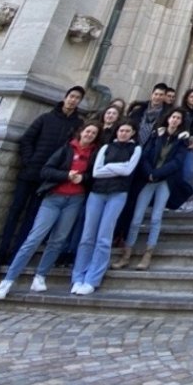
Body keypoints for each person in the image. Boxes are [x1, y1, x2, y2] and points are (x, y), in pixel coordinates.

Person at [0, 121, 100, 299]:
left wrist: (83, 178)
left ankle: (40, 275)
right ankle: (8, 279)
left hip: (75, 199)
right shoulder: (66, 149)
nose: (89, 135)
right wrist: (66, 175)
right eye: (88, 131)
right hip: (54, 198)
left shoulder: (93, 154)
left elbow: (92, 176)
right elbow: (46, 170)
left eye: (94, 133)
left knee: (58, 240)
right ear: (81, 132)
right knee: (34, 238)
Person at [0, 85, 85, 272]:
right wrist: (29, 161)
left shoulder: (76, 126)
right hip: (30, 173)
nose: (73, 100)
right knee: (15, 211)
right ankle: (0, 253)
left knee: (32, 217)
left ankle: (16, 254)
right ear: (65, 97)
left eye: (77, 98)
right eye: (71, 96)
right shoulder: (45, 118)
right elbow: (27, 140)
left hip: (50, 179)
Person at [70, 120, 142, 294]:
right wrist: (116, 168)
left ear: (132, 133)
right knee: (87, 235)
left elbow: (128, 170)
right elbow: (96, 172)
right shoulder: (105, 148)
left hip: (118, 193)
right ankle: (78, 277)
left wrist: (108, 167)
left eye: (127, 130)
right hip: (97, 192)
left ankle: (93, 278)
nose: (123, 133)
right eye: (121, 130)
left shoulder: (136, 149)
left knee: (104, 236)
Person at [113, 110, 188, 270]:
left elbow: (177, 162)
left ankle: (148, 254)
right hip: (149, 179)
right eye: (173, 117)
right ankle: (127, 253)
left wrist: (158, 174)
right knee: (137, 217)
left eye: (178, 118)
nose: (174, 120)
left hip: (164, 181)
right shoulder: (156, 135)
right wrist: (149, 173)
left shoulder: (182, 140)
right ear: (168, 119)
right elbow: (145, 155)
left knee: (156, 218)